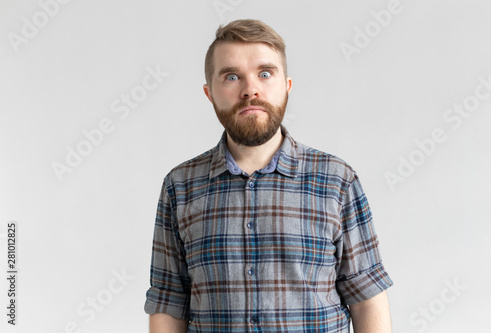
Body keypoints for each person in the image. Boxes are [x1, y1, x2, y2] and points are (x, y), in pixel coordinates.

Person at [145, 19, 393, 332]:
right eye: (232, 76)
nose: (250, 89)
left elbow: (367, 296)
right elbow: (168, 301)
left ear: (286, 86)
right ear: (209, 93)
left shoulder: (337, 180)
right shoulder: (179, 187)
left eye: (265, 73)